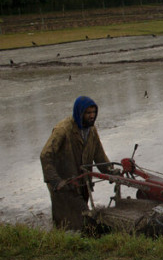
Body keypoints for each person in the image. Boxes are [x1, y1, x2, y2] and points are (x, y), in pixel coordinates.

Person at [40, 96, 115, 230]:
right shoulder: (63, 130)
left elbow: (99, 156)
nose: (92, 116)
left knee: (79, 219)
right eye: (88, 113)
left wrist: (110, 171)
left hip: (81, 182)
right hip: (64, 183)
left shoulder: (91, 130)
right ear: (79, 113)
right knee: (72, 220)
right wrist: (56, 181)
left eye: (93, 113)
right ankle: (63, 242)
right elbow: (45, 155)